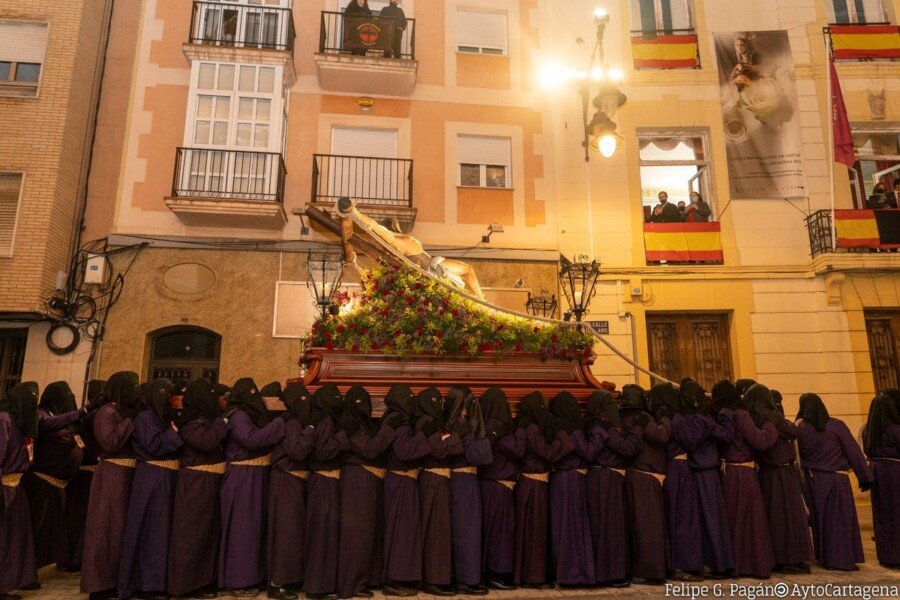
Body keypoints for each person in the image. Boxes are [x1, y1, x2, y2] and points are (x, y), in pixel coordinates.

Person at [118, 378, 184, 600]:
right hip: (151, 479)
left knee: (160, 530)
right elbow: (154, 445)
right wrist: (174, 433)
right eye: (163, 393)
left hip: (163, 478)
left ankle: (156, 581)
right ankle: (146, 584)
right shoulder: (146, 417)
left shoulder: (160, 417)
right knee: (149, 530)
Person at [219, 378, 286, 596]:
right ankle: (238, 581)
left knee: (256, 529)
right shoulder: (237, 416)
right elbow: (252, 440)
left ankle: (254, 577)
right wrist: (280, 423)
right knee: (242, 530)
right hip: (242, 478)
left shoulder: (250, 415)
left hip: (256, 477)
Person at [796, 393, 873, 571]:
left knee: (821, 521)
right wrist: (865, 478)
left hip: (813, 481)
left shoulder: (801, 430)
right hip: (837, 480)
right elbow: (854, 452)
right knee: (840, 520)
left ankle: (825, 557)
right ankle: (842, 559)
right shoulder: (836, 426)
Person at [81, 372, 141, 600]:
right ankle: (99, 584)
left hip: (127, 475)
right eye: (132, 386)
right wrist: (129, 420)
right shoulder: (106, 413)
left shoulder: (121, 412)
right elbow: (110, 441)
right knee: (106, 529)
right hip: (112, 476)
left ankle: (118, 579)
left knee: (121, 530)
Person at [168, 379, 229, 599]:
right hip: (195, 484)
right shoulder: (190, 421)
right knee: (191, 535)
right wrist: (222, 421)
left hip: (208, 482)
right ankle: (185, 584)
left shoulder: (204, 418)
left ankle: (203, 581)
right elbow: (208, 442)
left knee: (206, 535)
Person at [335, 385, 396, 599]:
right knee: (356, 536)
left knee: (366, 535)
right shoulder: (349, 424)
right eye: (359, 402)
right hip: (357, 481)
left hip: (366, 482)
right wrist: (389, 429)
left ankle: (362, 581)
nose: (364, 406)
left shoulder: (361, 423)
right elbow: (370, 450)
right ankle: (350, 585)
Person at [576, 390, 640, 587]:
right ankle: (609, 573)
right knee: (609, 528)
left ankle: (603, 572)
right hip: (607, 479)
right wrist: (638, 431)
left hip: (600, 478)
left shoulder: (593, 425)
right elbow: (627, 449)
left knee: (601, 527)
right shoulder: (604, 427)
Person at [514, 392, 573, 588]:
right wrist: (563, 439)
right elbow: (546, 453)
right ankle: (533, 577)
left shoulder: (530, 425)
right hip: (533, 484)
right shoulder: (531, 428)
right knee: (534, 532)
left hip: (536, 484)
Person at [719, 382, 778, 579]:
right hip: (744, 473)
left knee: (734, 519)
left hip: (729, 473)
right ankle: (753, 564)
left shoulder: (723, 414)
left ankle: (735, 564)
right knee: (750, 520)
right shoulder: (741, 415)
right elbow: (759, 441)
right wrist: (770, 425)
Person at [381, 384, 431, 596]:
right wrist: (424, 437)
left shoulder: (397, 419)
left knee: (405, 532)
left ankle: (402, 577)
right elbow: (404, 452)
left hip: (403, 482)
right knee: (401, 533)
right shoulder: (399, 422)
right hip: (401, 482)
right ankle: (394, 580)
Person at [27, 381, 83, 571]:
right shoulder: (41, 415)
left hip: (59, 486)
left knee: (53, 532)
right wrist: (79, 413)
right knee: (36, 529)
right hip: (42, 485)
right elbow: (51, 425)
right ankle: (27, 570)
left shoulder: (58, 416)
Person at [754, 389, 812, 574]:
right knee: (784, 518)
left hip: (772, 473)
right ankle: (786, 558)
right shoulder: (771, 416)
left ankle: (788, 557)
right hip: (779, 474)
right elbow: (793, 431)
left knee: (782, 517)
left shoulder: (757, 415)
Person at [267, 383, 317, 600]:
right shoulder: (291, 422)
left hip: (293, 482)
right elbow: (297, 451)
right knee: (286, 533)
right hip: (287, 480)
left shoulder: (294, 421)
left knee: (293, 533)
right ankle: (277, 583)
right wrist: (312, 430)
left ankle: (288, 579)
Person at [414, 387, 463, 596]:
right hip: (433, 479)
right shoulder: (426, 422)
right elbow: (438, 450)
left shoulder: (434, 422)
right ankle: (432, 579)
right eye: (435, 401)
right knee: (434, 531)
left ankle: (440, 577)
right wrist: (455, 438)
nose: (439, 405)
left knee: (441, 531)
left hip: (439, 480)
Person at [619, 384, 670, 585]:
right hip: (644, 474)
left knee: (641, 525)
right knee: (648, 526)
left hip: (636, 474)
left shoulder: (623, 417)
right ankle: (650, 571)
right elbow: (660, 434)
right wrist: (665, 417)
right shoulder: (641, 417)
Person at [304, 384, 351, 600]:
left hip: (327, 481)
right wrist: (341, 439)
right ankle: (316, 588)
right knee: (321, 534)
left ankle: (322, 585)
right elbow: (322, 452)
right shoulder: (325, 419)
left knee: (327, 534)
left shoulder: (325, 418)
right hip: (323, 480)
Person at [444, 386, 491, 596]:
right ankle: (465, 579)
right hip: (463, 480)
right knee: (466, 531)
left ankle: (468, 577)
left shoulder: (455, 423)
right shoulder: (460, 424)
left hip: (463, 479)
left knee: (468, 530)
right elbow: (478, 456)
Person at [656, 383, 705, 582]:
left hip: (671, 469)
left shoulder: (661, 415)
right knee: (683, 518)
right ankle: (682, 565)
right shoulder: (674, 417)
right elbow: (691, 440)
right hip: (679, 469)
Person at [685, 380, 734, 579]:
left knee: (709, 520)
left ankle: (716, 562)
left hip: (701, 472)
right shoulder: (703, 418)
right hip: (704, 473)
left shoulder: (689, 417)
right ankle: (717, 563)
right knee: (711, 520)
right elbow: (725, 435)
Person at [547, 392, 594, 586]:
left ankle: (564, 572)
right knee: (576, 527)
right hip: (573, 480)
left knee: (561, 528)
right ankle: (577, 574)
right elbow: (587, 452)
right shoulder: (573, 428)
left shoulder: (552, 426)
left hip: (557, 479)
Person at [478, 388, 524, 590]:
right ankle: (496, 573)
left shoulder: (486, 427)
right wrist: (521, 429)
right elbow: (517, 450)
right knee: (500, 532)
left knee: (495, 531)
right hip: (497, 487)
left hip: (491, 485)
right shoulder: (497, 427)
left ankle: (494, 572)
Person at [0, 382, 40, 599]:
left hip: (16, 486)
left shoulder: (20, 422)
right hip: (5, 487)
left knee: (17, 538)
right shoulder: (4, 419)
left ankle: (14, 580)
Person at [66, 379, 106, 572]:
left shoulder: (84, 416)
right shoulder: (98, 416)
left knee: (77, 518)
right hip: (90, 474)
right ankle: (78, 558)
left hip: (81, 473)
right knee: (85, 518)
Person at [863, 391, 900, 568]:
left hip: (877, 472)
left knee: (882, 514)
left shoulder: (867, 431)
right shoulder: (894, 429)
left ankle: (887, 554)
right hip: (894, 471)